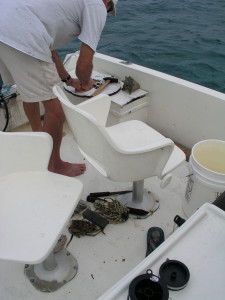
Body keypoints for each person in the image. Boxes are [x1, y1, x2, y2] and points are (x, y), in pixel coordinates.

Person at [0, 0, 118, 177]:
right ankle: (54, 164)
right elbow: (84, 65)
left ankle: (38, 135)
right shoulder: (97, 6)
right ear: (108, 3)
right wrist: (86, 83)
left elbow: (50, 50)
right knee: (56, 108)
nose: (106, 13)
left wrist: (68, 79)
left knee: (28, 91)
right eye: (109, 10)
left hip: (5, 24)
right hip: (22, 32)